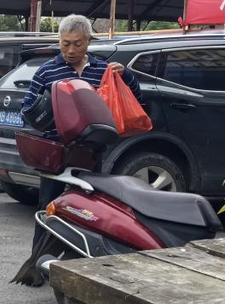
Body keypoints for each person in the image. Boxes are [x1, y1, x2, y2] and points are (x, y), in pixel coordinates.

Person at [12, 14, 144, 286]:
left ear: (88, 42)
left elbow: (136, 100)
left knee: (86, 208)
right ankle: (38, 266)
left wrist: (128, 77)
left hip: (92, 152)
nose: (71, 50)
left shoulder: (104, 70)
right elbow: (26, 111)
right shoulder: (47, 71)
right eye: (65, 44)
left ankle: (79, 262)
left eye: (78, 44)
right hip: (56, 152)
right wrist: (47, 108)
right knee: (48, 206)